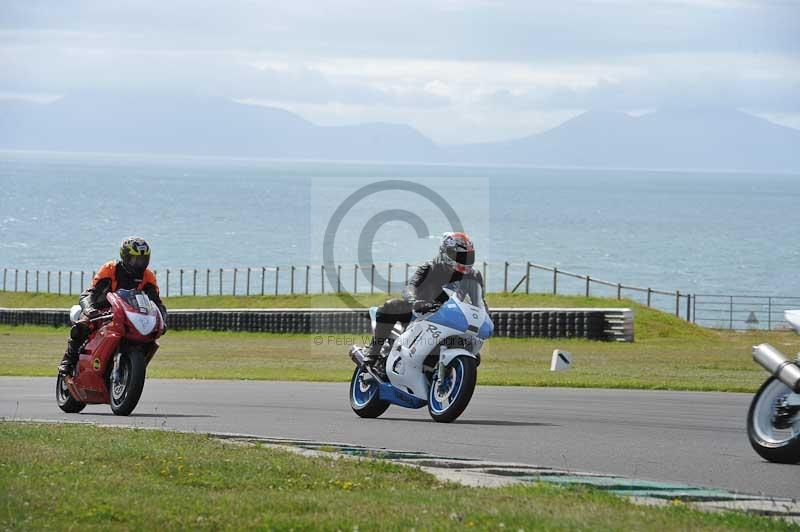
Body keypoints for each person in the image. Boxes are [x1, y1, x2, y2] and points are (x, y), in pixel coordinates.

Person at [364, 232, 487, 363]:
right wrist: (414, 302)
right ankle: (374, 351)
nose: (464, 260)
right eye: (461, 256)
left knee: (475, 357)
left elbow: (479, 301)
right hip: (422, 313)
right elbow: (410, 286)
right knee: (392, 305)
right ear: (447, 253)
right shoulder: (430, 267)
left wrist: (485, 316)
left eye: (468, 256)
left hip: (452, 318)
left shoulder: (474, 275)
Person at [57, 237, 167, 375]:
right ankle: (68, 361)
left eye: (143, 259)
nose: (139, 264)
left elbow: (156, 303)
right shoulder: (110, 269)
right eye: (135, 259)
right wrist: (90, 309)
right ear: (125, 257)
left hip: (130, 314)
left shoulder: (148, 276)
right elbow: (91, 293)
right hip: (102, 310)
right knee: (83, 324)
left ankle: (130, 370)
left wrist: (162, 320)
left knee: (150, 338)